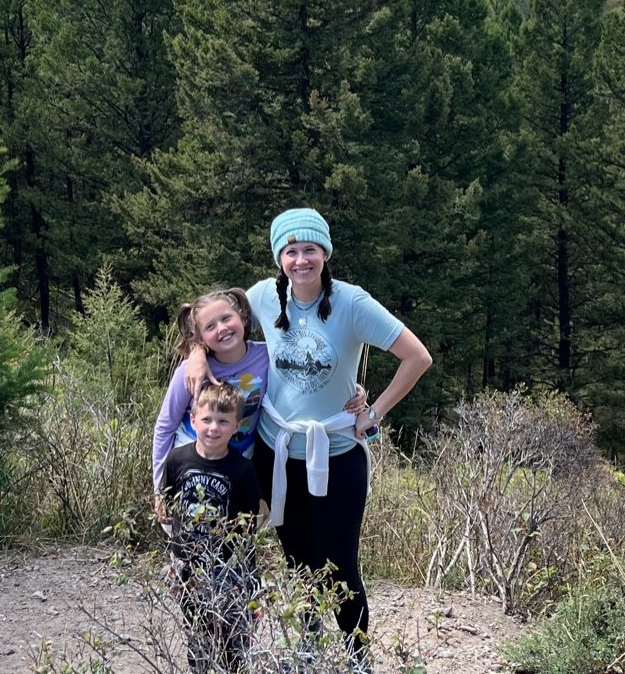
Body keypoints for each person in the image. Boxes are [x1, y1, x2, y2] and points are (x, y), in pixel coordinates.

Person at [186, 207, 432, 668]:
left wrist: (374, 411)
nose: (301, 260)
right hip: (275, 453)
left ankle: (358, 659)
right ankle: (308, 652)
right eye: (291, 251)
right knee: (298, 561)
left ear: (325, 253)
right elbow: (216, 322)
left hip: (337, 454)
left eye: (310, 249)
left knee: (340, 564)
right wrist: (198, 354)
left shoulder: (352, 303)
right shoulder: (262, 296)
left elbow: (417, 357)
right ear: (280, 257)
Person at [153, 287, 367, 493]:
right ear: (200, 338)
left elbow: (304, 375)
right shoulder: (190, 371)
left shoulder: (267, 356)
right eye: (210, 327)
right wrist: (159, 489)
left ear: (243, 318)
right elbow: (165, 426)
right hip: (194, 452)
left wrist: (351, 390)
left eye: (226, 319)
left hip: (242, 455)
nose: (221, 328)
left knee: (233, 521)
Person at [156, 382, 264, 674]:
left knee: (232, 637)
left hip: (226, 565)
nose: (213, 428)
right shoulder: (177, 460)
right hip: (188, 563)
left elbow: (249, 525)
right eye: (206, 419)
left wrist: (249, 576)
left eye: (223, 421)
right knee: (197, 633)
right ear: (193, 421)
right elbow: (167, 502)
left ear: (236, 426)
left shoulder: (242, 470)